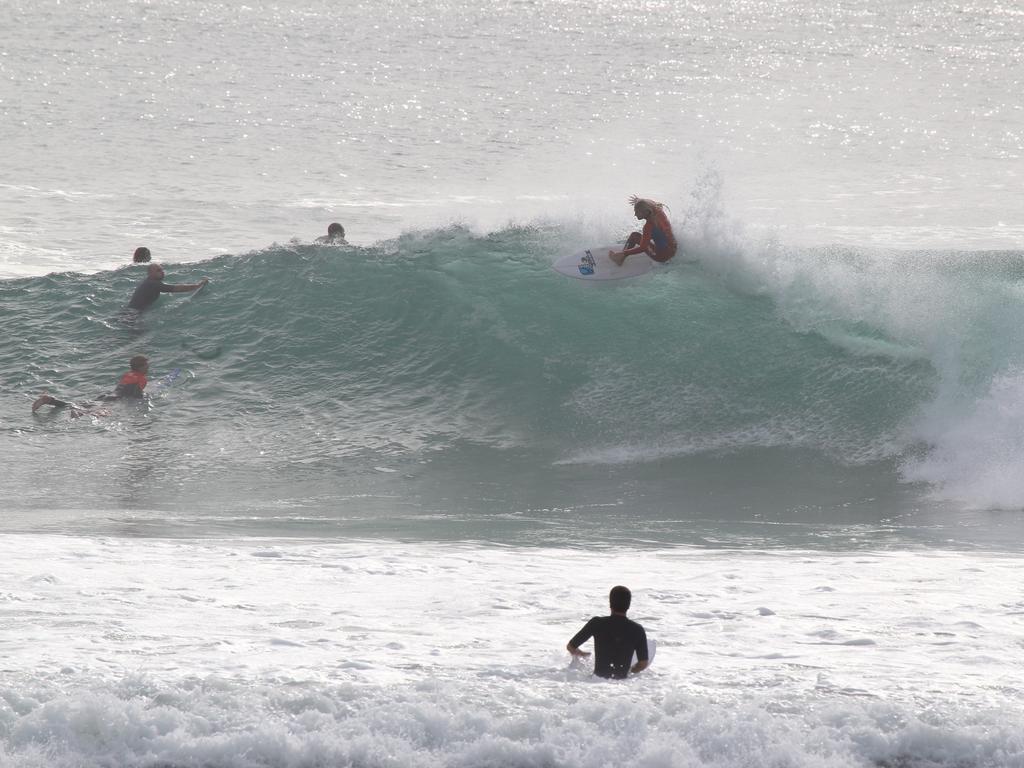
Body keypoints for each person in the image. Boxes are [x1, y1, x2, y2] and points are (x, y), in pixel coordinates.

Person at [567, 585, 649, 679]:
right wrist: (630, 671)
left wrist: (584, 655)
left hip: (596, 681)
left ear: (610, 604)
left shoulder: (597, 623)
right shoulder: (637, 630)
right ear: (629, 605)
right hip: (622, 686)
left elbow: (571, 647)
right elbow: (643, 663)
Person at [32, 355, 150, 414]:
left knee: (78, 405)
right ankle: (51, 401)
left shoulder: (128, 374)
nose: (148, 367)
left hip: (108, 395)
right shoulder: (142, 378)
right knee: (82, 409)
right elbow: (136, 394)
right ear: (141, 367)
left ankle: (50, 400)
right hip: (114, 399)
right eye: (146, 365)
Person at [608, 196, 676, 266]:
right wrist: (639, 201)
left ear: (645, 212)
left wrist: (625, 253)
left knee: (634, 236)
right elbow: (650, 202)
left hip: (662, 256)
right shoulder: (658, 210)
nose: (635, 214)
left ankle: (620, 257)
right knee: (657, 234)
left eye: (637, 212)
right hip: (673, 250)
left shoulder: (648, 226)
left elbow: (642, 248)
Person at [128, 263, 208, 311]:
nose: (162, 272)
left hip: (131, 313)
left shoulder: (148, 282)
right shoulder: (152, 284)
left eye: (162, 270)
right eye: (158, 270)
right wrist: (198, 285)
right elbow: (176, 288)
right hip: (132, 315)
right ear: (150, 273)